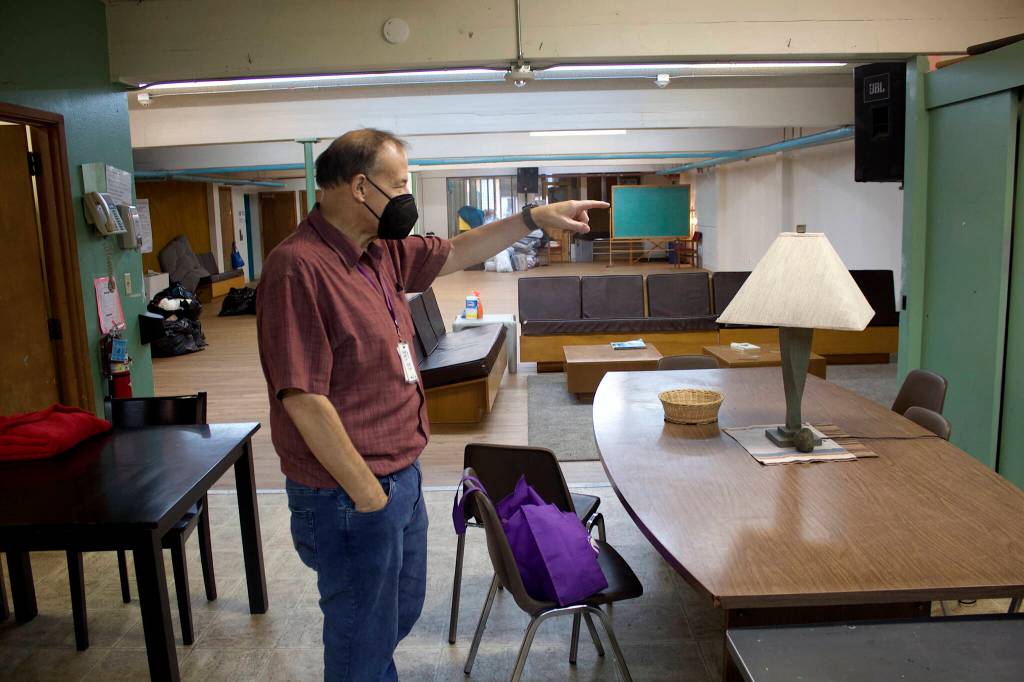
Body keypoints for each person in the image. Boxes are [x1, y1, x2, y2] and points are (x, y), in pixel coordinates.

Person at [256, 128, 607, 681]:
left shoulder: (381, 252)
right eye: (398, 185)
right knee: (359, 634)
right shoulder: (298, 267)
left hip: (402, 471)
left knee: (398, 608)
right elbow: (303, 399)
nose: (405, 196)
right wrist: (369, 496)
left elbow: (459, 251)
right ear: (359, 187)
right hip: (350, 492)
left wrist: (533, 219)